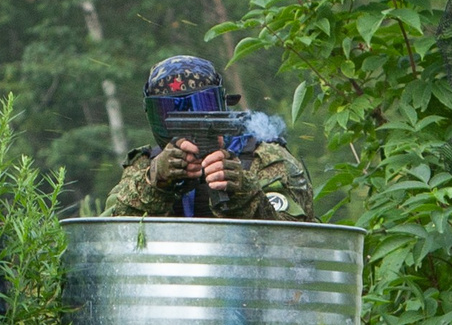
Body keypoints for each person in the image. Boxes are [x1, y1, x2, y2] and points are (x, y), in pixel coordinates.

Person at [103, 55, 316, 221]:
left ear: (223, 105)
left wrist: (242, 190)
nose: (188, 122)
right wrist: (155, 183)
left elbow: (295, 239)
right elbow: (105, 235)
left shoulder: (266, 160)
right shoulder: (146, 166)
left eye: (199, 106)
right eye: (171, 112)